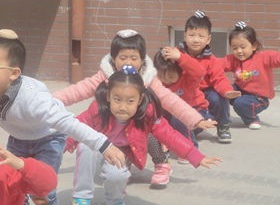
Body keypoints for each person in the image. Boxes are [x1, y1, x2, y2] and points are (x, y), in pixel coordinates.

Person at [0, 29, 126, 205]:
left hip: (48, 139)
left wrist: (104, 144)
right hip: (17, 140)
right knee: (14, 188)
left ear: (14, 73)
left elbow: (69, 123)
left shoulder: (33, 99)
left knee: (41, 188)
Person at [53, 29, 216, 189]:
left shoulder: (148, 79)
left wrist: (196, 119)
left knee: (154, 131)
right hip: (115, 136)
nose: (128, 63)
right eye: (122, 58)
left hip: (142, 130)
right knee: (117, 174)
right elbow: (78, 91)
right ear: (113, 58)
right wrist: (47, 101)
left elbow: (171, 101)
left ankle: (161, 163)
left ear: (142, 60)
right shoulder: (105, 77)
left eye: (134, 58)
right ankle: (125, 164)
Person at [66, 66, 221, 205]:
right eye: (117, 99)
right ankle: (82, 196)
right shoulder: (98, 110)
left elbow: (170, 136)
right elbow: (76, 127)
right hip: (98, 148)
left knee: (118, 176)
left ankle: (114, 199)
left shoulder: (147, 116)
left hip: (119, 154)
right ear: (108, 96)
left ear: (140, 100)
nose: (123, 106)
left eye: (130, 101)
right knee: (85, 146)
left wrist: (196, 156)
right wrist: (61, 145)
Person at [222, 21, 280, 129]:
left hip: (258, 98)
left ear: (254, 46)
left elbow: (279, 58)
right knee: (223, 90)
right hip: (240, 90)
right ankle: (221, 116)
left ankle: (252, 119)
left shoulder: (263, 58)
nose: (239, 51)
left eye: (243, 47)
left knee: (240, 103)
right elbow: (218, 65)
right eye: (235, 48)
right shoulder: (233, 59)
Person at [175, 10, 241, 143]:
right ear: (185, 36)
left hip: (206, 91)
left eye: (201, 36)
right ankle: (199, 122)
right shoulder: (177, 55)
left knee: (219, 97)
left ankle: (223, 125)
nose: (195, 39)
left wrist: (227, 91)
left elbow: (219, 78)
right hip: (186, 93)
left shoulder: (211, 59)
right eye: (192, 35)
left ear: (208, 39)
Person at [153, 45, 209, 148]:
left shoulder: (187, 80)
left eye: (170, 76)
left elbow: (200, 72)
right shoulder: (156, 83)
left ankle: (189, 147)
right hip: (171, 114)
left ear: (180, 72)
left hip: (196, 113)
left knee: (178, 117)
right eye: (161, 76)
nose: (166, 80)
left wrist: (180, 57)